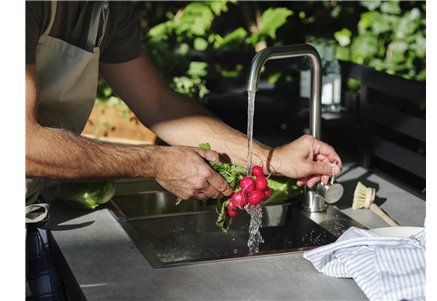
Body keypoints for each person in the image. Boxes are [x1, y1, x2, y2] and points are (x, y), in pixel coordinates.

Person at [26, 1, 342, 299]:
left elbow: (160, 106)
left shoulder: (110, 9)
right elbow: (22, 144)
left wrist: (271, 159)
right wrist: (155, 162)